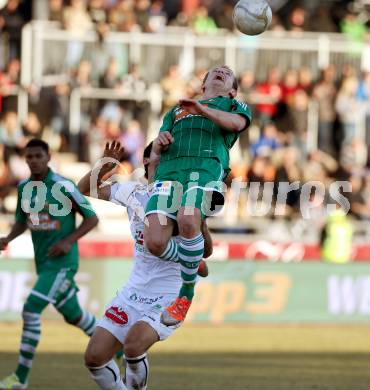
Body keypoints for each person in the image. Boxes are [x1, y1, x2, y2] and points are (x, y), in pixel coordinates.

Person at [78, 140, 211, 390]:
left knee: (133, 346)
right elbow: (83, 189)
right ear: (147, 161)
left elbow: (206, 251)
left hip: (169, 293)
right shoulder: (132, 193)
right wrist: (105, 164)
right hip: (133, 292)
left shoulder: (181, 196)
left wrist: (201, 222)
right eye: (163, 156)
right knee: (94, 358)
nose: (170, 163)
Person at [144, 65, 252, 325]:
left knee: (188, 220)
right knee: (154, 242)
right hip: (169, 172)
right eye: (215, 71)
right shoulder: (175, 111)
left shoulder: (235, 107)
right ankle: (190, 259)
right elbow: (157, 149)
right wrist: (160, 143)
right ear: (203, 85)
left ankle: (185, 294)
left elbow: (236, 125)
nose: (221, 72)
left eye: (227, 73)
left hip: (205, 168)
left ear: (232, 91)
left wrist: (202, 109)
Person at [0, 139, 99, 390]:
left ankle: (20, 378)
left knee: (31, 309)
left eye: (38, 156)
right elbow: (23, 221)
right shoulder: (24, 188)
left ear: (48, 156)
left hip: (63, 263)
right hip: (43, 262)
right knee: (74, 316)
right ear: (25, 159)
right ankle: (117, 347)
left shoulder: (63, 186)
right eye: (29, 156)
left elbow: (91, 218)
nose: (33, 160)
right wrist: (8, 238)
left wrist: (68, 241)